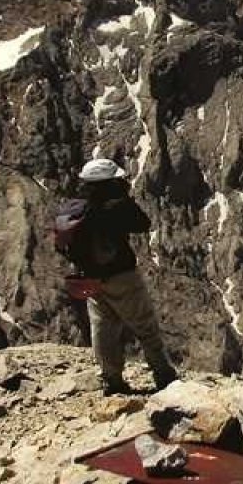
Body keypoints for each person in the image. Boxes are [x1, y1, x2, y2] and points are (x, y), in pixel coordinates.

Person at [54, 158, 178, 394]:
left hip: (90, 279)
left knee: (103, 328)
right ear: (108, 182)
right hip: (121, 276)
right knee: (145, 325)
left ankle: (111, 379)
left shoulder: (77, 208)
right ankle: (164, 376)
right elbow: (143, 223)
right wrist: (124, 199)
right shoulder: (115, 206)